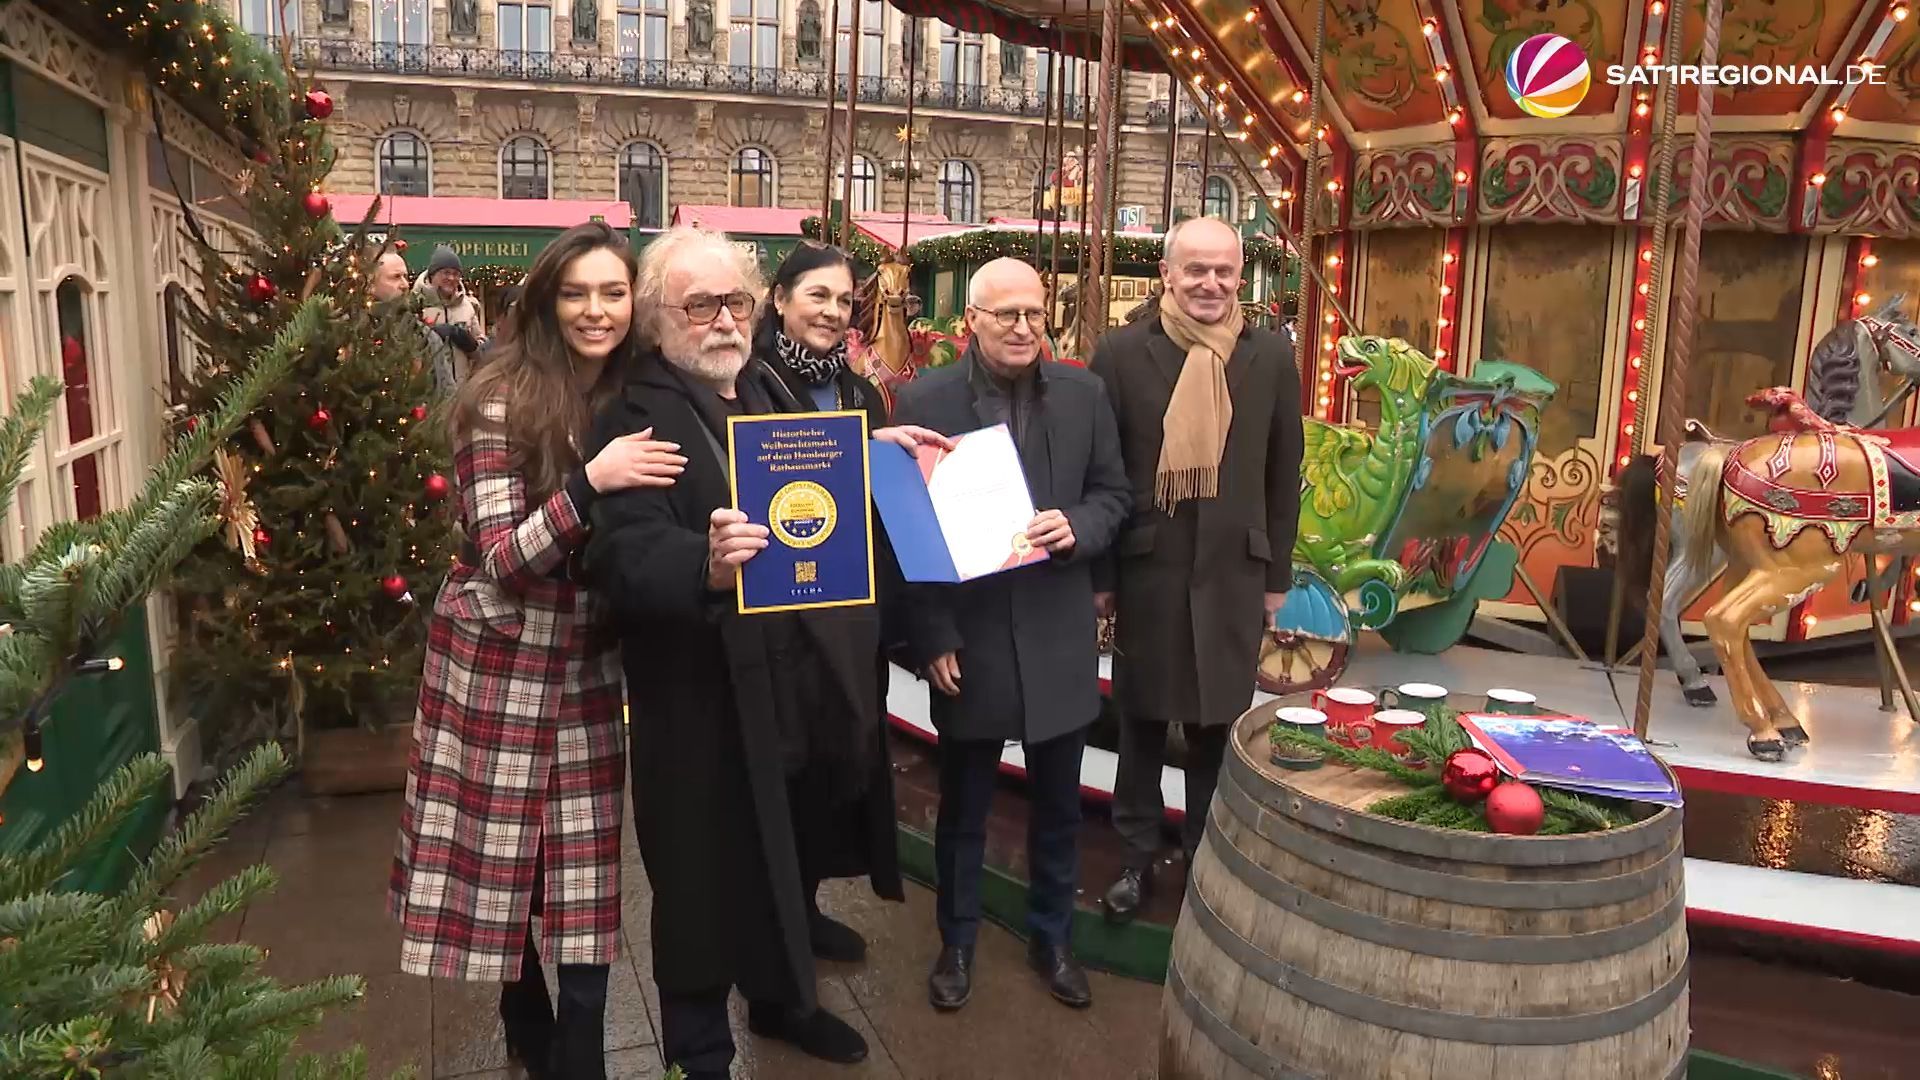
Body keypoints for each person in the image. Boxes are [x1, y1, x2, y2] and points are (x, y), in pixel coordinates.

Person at [580, 225, 948, 1079]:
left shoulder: (759, 389)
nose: (722, 321)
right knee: (701, 889)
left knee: (784, 851)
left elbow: (804, 485)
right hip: (701, 700)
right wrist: (701, 565)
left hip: (787, 680)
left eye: (734, 302)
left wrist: (869, 449)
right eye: (698, 304)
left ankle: (784, 1006)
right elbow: (620, 555)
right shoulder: (635, 414)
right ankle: (700, 1055)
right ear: (657, 319)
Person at [388, 221, 687, 1080]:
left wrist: (864, 448)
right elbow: (500, 557)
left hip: (590, 662)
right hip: (496, 662)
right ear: (548, 300)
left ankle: (578, 1062)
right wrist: (592, 482)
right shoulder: (500, 396)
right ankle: (524, 1009)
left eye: (613, 292)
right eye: (577, 292)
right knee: (501, 866)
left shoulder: (640, 392)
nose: (597, 311)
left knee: (589, 877)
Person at [889, 257, 1131, 1013]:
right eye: (1006, 316)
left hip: (1057, 630)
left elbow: (1114, 494)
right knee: (964, 806)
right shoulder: (922, 398)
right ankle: (956, 941)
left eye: (1034, 314)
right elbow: (907, 531)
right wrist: (931, 636)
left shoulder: (1086, 394)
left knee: (1058, 807)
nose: (1024, 328)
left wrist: (1080, 526)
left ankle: (1051, 939)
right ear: (972, 322)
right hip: (973, 637)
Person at [1090, 215, 1304, 923]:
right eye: (1195, 270)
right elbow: (1106, 469)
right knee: (1142, 727)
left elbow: (1283, 470)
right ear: (1167, 277)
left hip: (1234, 574)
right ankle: (1134, 861)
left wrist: (1277, 580)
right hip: (1151, 571)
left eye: (1224, 271)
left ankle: (1208, 859)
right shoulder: (1122, 354)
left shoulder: (1270, 356)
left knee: (1217, 727)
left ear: (1242, 276)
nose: (1210, 283)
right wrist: (1104, 580)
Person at [747, 239, 914, 965]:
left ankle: (806, 908)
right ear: (780, 300)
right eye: (817, 295)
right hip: (776, 622)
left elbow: (874, 501)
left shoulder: (858, 394)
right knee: (778, 776)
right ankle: (771, 939)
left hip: (848, 617)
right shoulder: (747, 383)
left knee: (831, 769)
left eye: (844, 300)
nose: (832, 311)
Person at [370, 247, 457, 397]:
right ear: (371, 283)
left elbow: (447, 392)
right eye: (395, 277)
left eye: (405, 276)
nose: (404, 285)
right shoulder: (351, 333)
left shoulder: (424, 336)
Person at [417, 242, 487, 377]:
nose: (451, 278)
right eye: (446, 273)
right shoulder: (417, 304)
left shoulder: (468, 307)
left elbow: (482, 353)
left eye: (456, 274)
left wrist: (469, 343)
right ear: (432, 275)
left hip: (463, 389)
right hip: (431, 392)